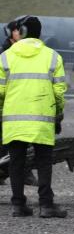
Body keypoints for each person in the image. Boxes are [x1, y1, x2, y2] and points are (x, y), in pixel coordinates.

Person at [0, 16, 68, 217]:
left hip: (13, 121)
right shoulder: (53, 57)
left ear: (21, 33)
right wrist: (58, 114)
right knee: (44, 162)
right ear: (40, 34)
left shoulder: (5, 57)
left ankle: (18, 205)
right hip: (42, 119)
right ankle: (46, 205)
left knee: (16, 162)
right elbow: (59, 92)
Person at [0, 20, 38, 187]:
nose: (20, 34)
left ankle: (22, 172)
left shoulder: (18, 49)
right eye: (17, 31)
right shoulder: (7, 51)